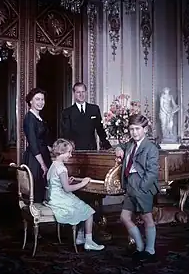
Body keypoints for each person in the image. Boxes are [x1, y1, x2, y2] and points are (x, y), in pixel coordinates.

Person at [44, 138, 104, 251]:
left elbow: (56, 182)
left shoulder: (54, 165)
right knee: (89, 211)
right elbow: (67, 189)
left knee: (82, 206)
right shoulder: (62, 168)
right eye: (69, 152)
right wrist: (83, 183)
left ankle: (80, 238)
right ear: (61, 153)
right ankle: (89, 242)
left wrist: (67, 181)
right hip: (60, 199)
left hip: (54, 196)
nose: (70, 155)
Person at [115, 114, 159, 263]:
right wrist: (118, 150)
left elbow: (153, 172)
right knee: (124, 217)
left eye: (137, 129)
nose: (134, 132)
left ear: (145, 129)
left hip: (142, 185)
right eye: (131, 129)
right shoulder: (130, 144)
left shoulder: (150, 148)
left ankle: (150, 250)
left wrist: (142, 187)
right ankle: (140, 246)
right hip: (130, 185)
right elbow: (121, 146)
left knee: (147, 218)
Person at [60, 82, 111, 150]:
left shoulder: (94, 109)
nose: (81, 94)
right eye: (78, 92)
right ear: (74, 94)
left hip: (91, 149)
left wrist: (108, 146)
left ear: (86, 92)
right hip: (75, 151)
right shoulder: (67, 112)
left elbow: (100, 130)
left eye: (83, 92)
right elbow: (66, 134)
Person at [23, 88, 52, 202]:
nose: (41, 102)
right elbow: (34, 144)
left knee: (44, 190)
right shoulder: (29, 118)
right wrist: (43, 165)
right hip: (35, 159)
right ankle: (35, 217)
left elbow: (42, 140)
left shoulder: (38, 118)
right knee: (37, 192)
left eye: (42, 99)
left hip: (43, 155)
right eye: (37, 99)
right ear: (31, 101)